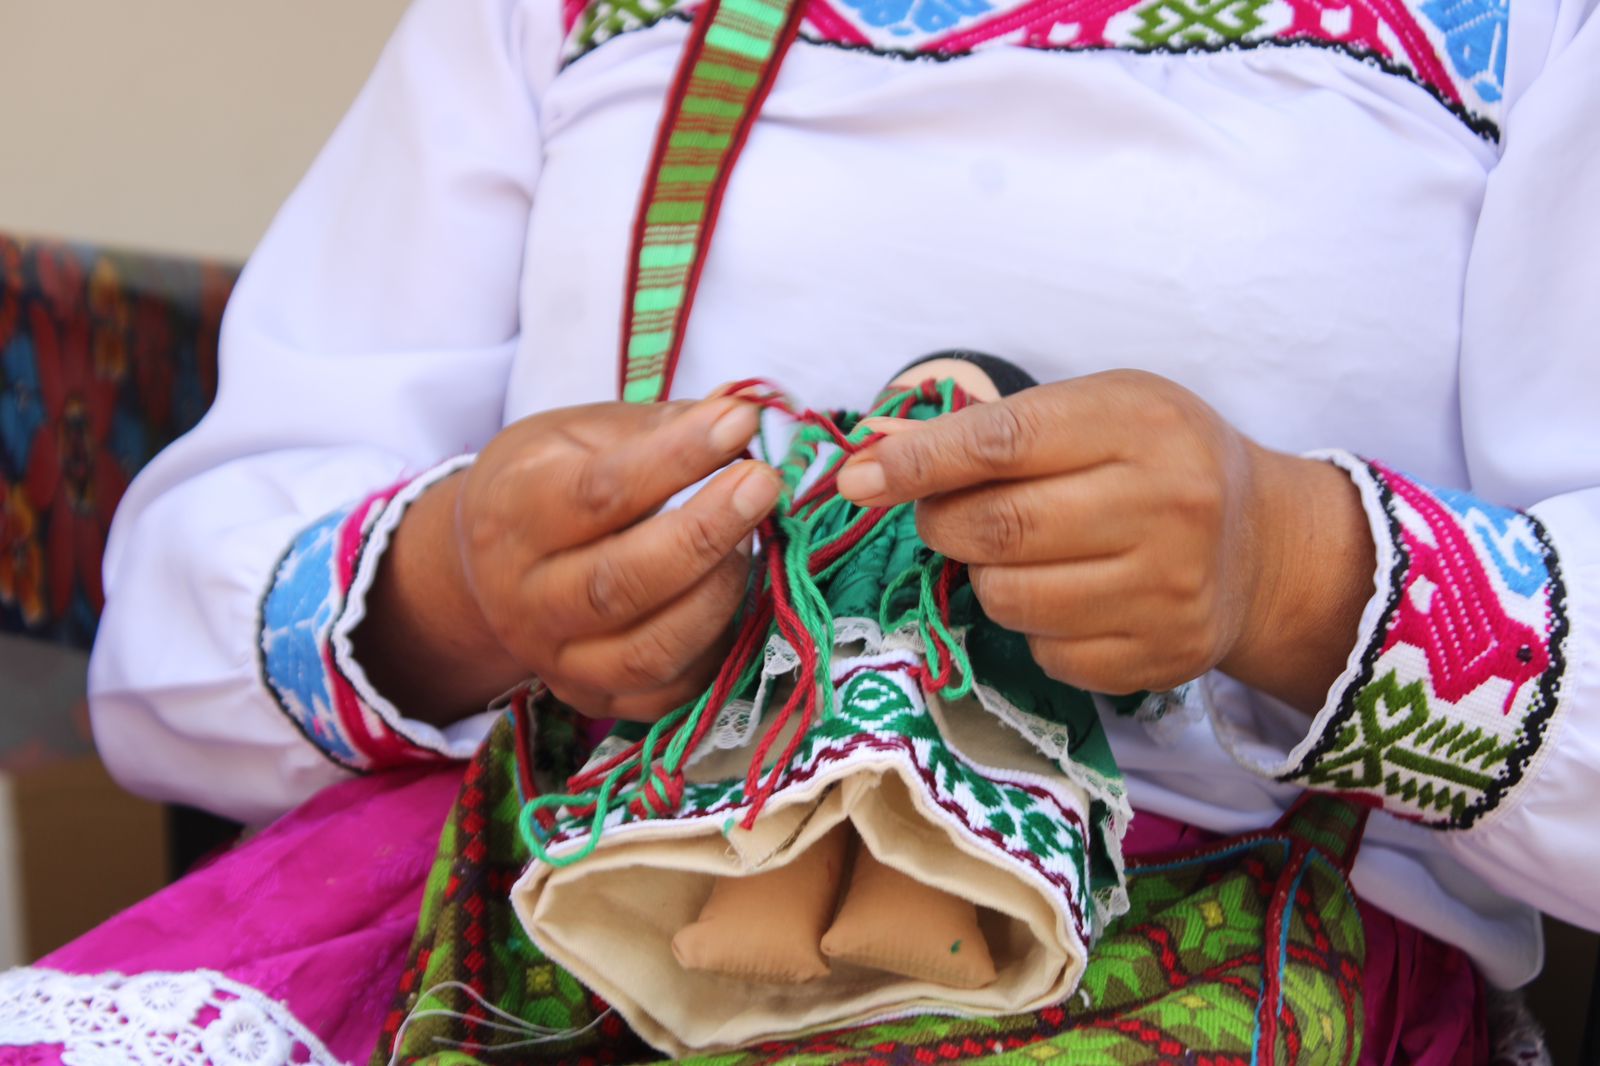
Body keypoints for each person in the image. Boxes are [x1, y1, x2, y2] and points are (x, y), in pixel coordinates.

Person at [0, 0, 1595, 1059]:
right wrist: (468, 584)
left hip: (1223, 953)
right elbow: (180, 615)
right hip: (549, 907)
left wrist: (1300, 571)